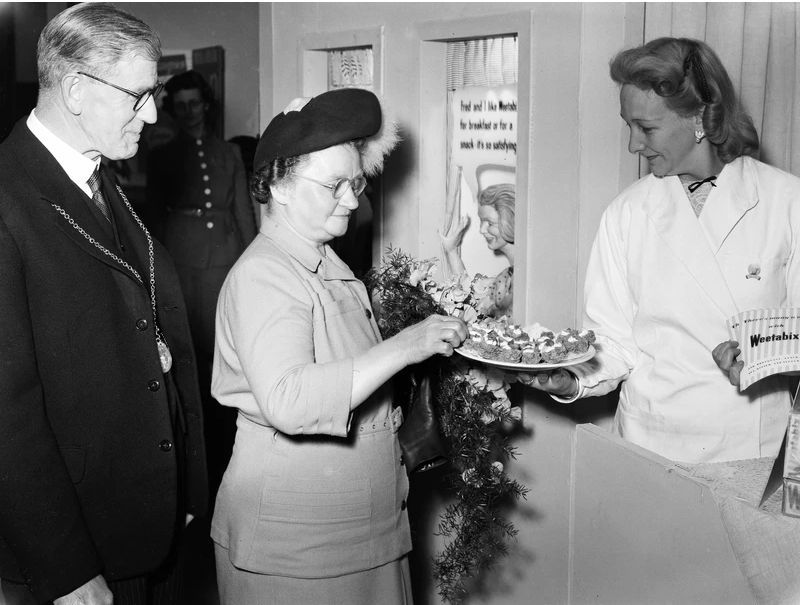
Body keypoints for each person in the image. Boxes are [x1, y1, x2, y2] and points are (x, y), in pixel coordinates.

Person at [210, 88, 467, 604]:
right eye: (334, 186)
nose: (352, 199)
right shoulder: (266, 275)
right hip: (300, 546)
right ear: (279, 185)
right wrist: (406, 346)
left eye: (356, 182)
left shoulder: (324, 259)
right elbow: (288, 398)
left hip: (355, 528)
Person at [0, 4, 207, 604]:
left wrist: (186, 492)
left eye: (156, 92)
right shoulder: (9, 198)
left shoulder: (95, 174)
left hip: (149, 525)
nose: (153, 113)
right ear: (76, 91)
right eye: (139, 95)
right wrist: (66, 570)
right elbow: (7, 416)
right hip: (83, 551)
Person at [525, 37, 800, 464]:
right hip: (650, 445)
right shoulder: (627, 213)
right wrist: (569, 379)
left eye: (646, 128)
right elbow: (612, 345)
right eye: (628, 125)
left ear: (699, 120)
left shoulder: (787, 203)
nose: (634, 145)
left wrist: (770, 357)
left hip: (750, 448)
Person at [147, 70, 257, 493]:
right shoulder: (161, 157)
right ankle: (200, 456)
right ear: (172, 112)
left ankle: (230, 446)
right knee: (191, 355)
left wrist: (252, 263)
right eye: (181, 105)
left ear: (206, 106)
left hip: (226, 262)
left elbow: (243, 213)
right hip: (184, 266)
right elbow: (153, 220)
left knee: (228, 355)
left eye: (196, 103)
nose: (190, 112)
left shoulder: (228, 153)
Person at [441, 182, 515, 317]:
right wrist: (451, 250)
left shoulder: (519, 277)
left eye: (490, 223)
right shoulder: (506, 276)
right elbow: (472, 301)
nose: (482, 230)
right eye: (481, 222)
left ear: (510, 221)